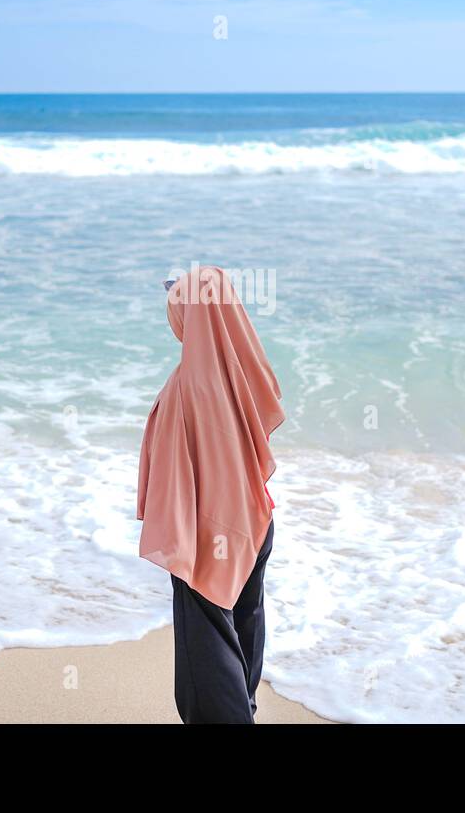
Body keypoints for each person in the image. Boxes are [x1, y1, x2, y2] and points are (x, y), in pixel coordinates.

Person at [136, 264, 284, 723]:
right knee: (243, 633)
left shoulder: (189, 384)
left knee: (207, 668)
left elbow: (177, 469)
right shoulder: (243, 369)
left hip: (209, 537)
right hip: (253, 523)